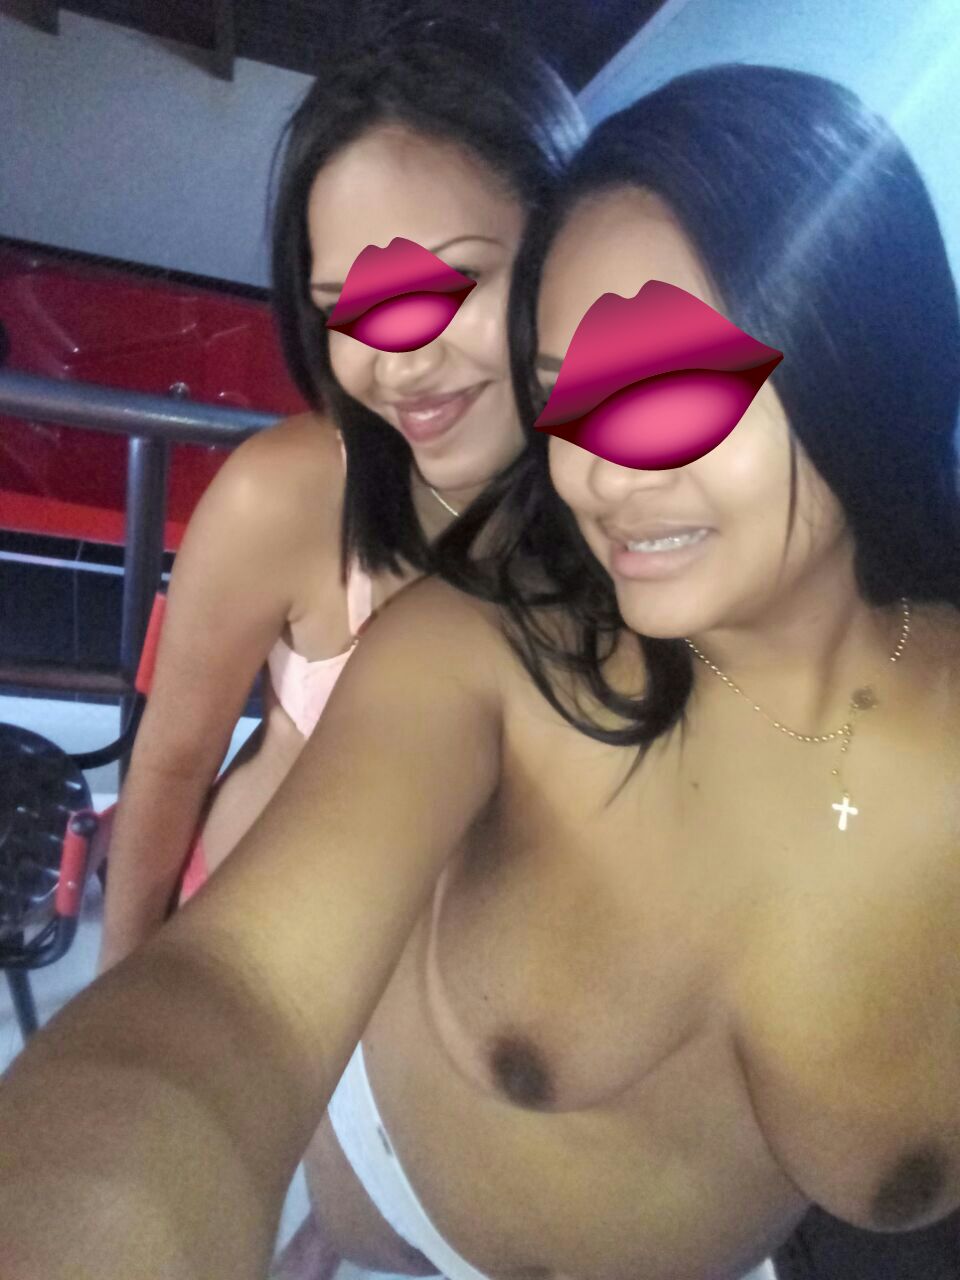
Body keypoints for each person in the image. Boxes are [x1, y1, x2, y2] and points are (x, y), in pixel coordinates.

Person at [3, 63, 960, 1280]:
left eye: (665, 382)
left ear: (858, 354)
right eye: (569, 399)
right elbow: (232, 992)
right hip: (372, 1149)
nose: (600, 469)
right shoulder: (468, 642)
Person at [96, 10, 582, 964]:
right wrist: (121, 989)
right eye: (350, 311)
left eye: (450, 285)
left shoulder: (630, 511)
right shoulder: (288, 497)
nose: (399, 362)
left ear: (569, 241)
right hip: (243, 976)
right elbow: (174, 762)